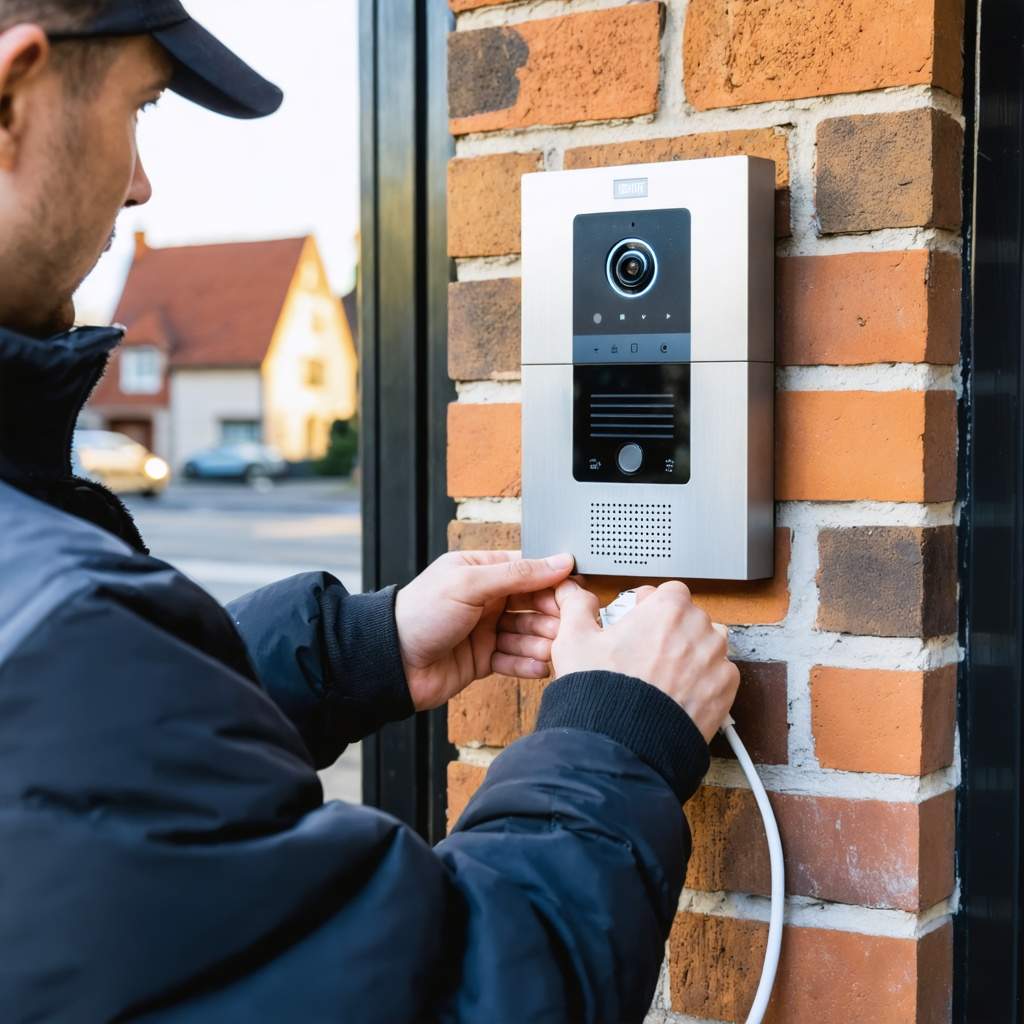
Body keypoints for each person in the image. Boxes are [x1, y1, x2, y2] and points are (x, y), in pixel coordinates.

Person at [0, 2, 741, 1021]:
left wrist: (354, 649)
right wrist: (617, 734)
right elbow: (457, 994)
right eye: (142, 106)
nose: (140, 182)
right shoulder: (63, 636)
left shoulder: (52, 633)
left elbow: (80, 766)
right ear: (11, 95)